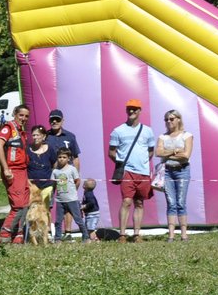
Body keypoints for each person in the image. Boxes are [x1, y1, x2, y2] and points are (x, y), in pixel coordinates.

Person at [108, 99, 157, 242]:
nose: (131, 111)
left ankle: (136, 234)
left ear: (140, 111)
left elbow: (150, 151)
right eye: (129, 108)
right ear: (126, 110)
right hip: (127, 172)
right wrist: (121, 165)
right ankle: (122, 234)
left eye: (134, 109)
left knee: (140, 202)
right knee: (127, 201)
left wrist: (142, 163)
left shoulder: (147, 131)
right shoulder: (118, 131)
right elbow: (111, 152)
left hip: (143, 172)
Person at [0, 104, 32, 245]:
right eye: (21, 115)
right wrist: (5, 168)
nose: (23, 118)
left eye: (26, 116)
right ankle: (4, 235)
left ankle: (18, 234)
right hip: (13, 170)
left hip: (23, 171)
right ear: (14, 114)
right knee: (17, 205)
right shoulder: (8, 128)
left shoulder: (21, 131)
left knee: (24, 204)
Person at [156, 109, 194, 242]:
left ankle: (184, 234)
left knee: (181, 202)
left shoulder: (187, 135)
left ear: (178, 119)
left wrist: (167, 153)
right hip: (167, 171)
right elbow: (158, 152)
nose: (168, 122)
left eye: (171, 119)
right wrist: (175, 150)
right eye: (166, 119)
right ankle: (171, 234)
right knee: (171, 202)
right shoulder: (163, 137)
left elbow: (186, 155)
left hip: (182, 170)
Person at [52, 149, 83, 242]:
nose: (61, 159)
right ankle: (57, 238)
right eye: (60, 157)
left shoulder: (72, 169)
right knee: (58, 220)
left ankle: (86, 237)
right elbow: (54, 184)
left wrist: (74, 190)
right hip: (60, 199)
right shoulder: (55, 171)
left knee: (78, 219)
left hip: (71, 198)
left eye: (64, 157)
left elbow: (77, 181)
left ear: (69, 158)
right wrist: (52, 194)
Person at [27, 124, 56, 219]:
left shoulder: (50, 149)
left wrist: (53, 177)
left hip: (47, 185)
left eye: (38, 135)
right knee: (33, 208)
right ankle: (33, 230)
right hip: (32, 185)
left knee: (44, 208)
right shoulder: (28, 149)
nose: (35, 137)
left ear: (43, 136)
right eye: (34, 135)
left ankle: (45, 231)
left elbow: (55, 164)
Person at [81, 177, 101, 241]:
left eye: (84, 183)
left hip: (93, 214)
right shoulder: (86, 192)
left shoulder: (89, 194)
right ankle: (89, 239)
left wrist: (84, 206)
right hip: (89, 214)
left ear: (85, 186)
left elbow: (91, 203)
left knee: (90, 228)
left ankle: (95, 239)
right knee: (88, 227)